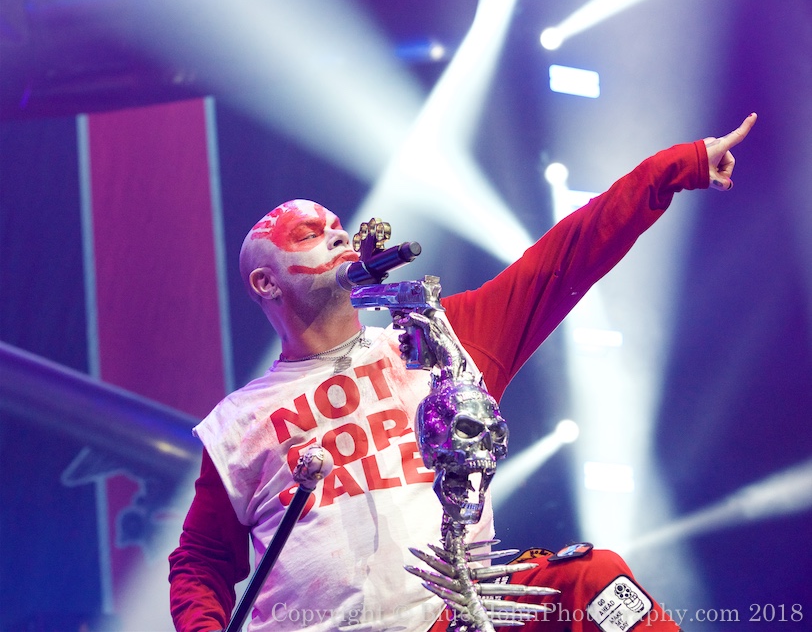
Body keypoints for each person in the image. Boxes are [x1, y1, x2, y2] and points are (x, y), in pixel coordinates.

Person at [168, 114, 757, 632]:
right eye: (308, 235)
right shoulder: (238, 423)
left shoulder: (440, 338)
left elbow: (564, 256)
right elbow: (201, 561)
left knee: (595, 583)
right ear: (265, 283)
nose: (336, 238)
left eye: (337, 229)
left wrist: (673, 168)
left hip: (456, 617)